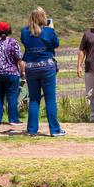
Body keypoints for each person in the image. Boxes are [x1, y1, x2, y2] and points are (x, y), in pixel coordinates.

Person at [20, 7, 65, 137]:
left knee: (34, 99)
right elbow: (56, 44)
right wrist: (51, 29)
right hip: (46, 66)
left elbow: (26, 43)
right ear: (43, 18)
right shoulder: (49, 31)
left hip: (30, 67)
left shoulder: (24, 32)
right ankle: (55, 130)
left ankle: (32, 130)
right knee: (50, 99)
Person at [0, 21, 25, 126]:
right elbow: (19, 59)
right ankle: (13, 119)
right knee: (12, 97)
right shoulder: (13, 42)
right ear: (9, 31)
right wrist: (22, 71)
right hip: (11, 73)